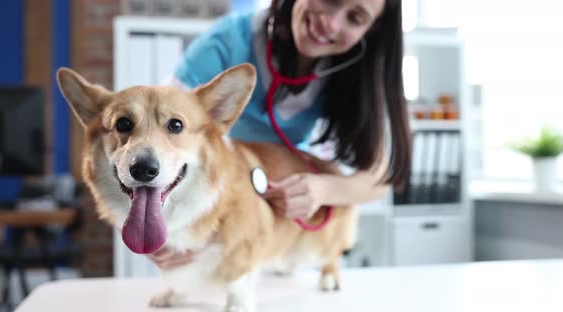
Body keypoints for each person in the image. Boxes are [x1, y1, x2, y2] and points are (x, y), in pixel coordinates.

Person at [147, 0, 411, 270]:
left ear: (371, 30)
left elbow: (378, 179)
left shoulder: (353, 74)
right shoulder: (225, 43)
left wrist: (320, 190)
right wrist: (156, 221)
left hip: (284, 218)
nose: (330, 23)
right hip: (216, 205)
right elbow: (154, 140)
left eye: (355, 18)